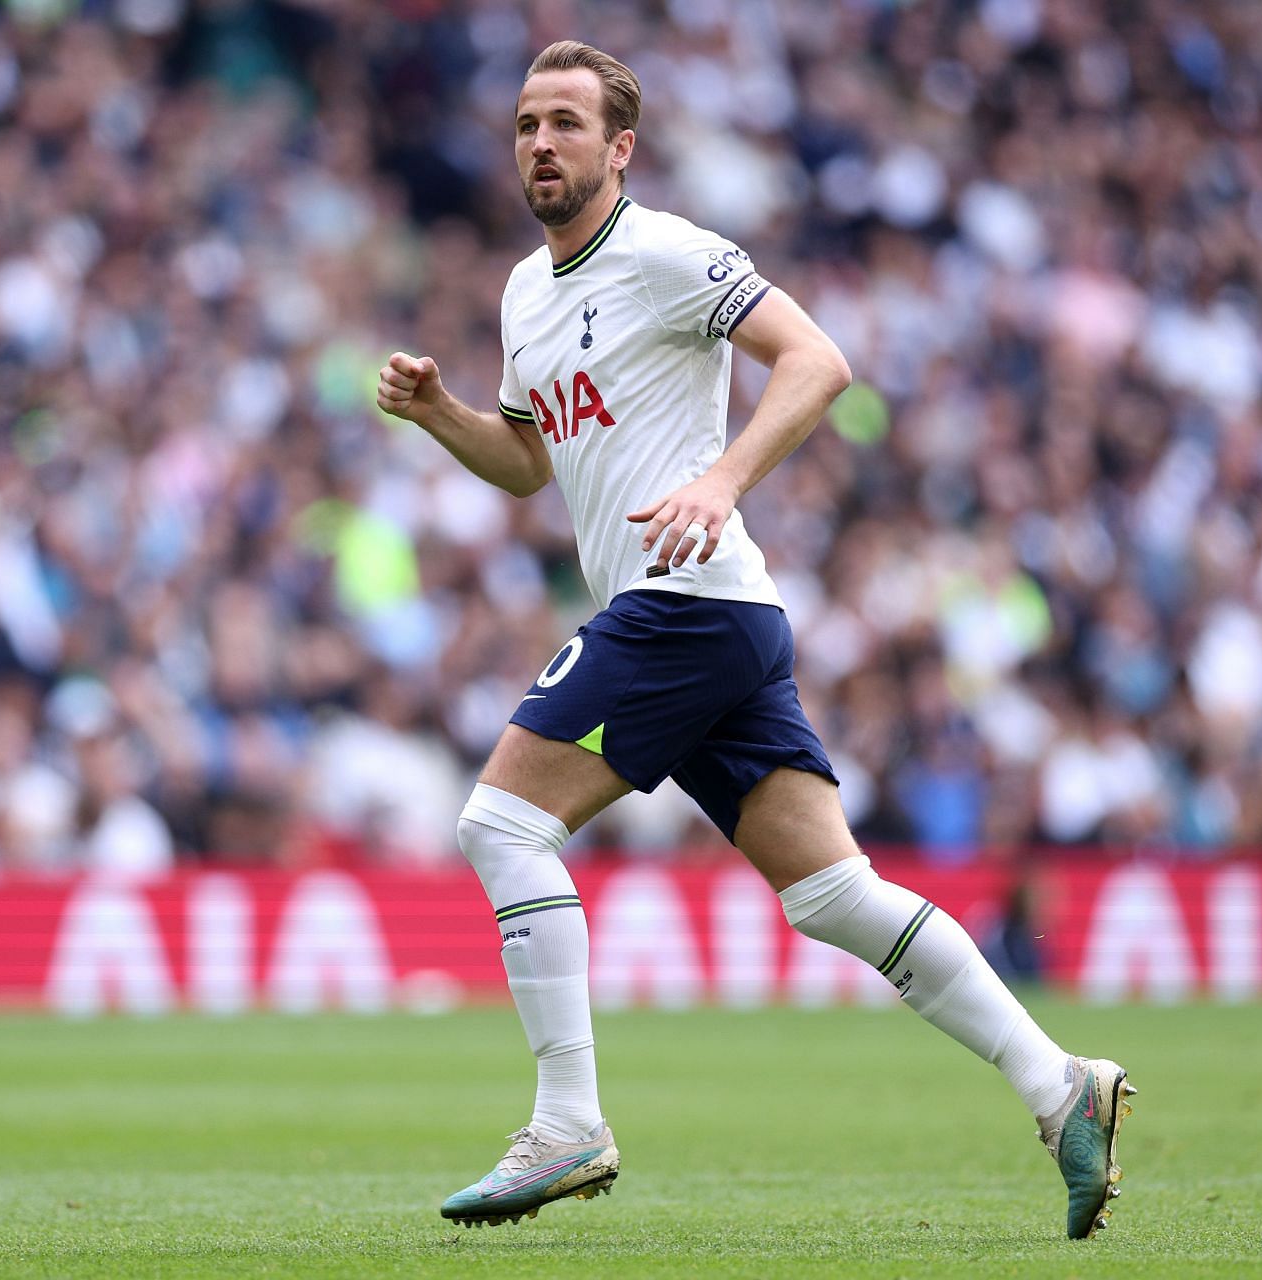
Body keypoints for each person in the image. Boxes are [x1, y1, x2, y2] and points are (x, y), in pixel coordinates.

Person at [376, 40, 1135, 1241]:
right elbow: (529, 463)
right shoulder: (525, 291)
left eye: (566, 123)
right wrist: (442, 416)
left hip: (687, 603)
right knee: (834, 893)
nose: (539, 143)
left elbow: (818, 360)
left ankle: (569, 1120)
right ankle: (1060, 1083)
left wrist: (723, 479)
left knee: (500, 821)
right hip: (715, 620)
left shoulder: (671, 252)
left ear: (619, 148)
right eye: (527, 123)